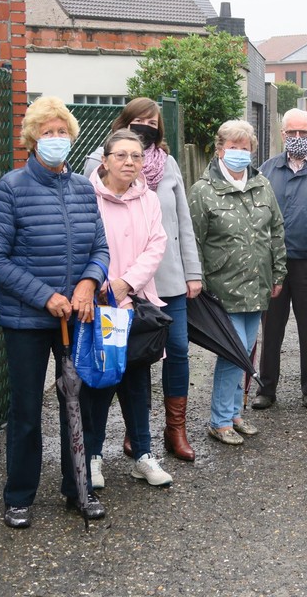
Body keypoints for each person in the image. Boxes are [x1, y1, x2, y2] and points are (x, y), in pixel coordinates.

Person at [0, 96, 108, 528]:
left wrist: (89, 282)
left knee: (81, 404)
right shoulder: (11, 187)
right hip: (26, 321)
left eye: (62, 132)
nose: (56, 139)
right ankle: (18, 496)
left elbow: (100, 248)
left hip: (77, 318)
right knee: (26, 410)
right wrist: (45, 296)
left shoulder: (83, 188)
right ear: (32, 140)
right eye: (47, 132)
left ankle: (79, 490)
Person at [84, 98, 202, 470]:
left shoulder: (166, 164)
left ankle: (174, 430)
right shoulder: (95, 163)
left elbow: (181, 220)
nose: (146, 126)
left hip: (165, 278)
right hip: (114, 286)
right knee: (125, 360)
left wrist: (193, 271)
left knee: (176, 351)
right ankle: (129, 438)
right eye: (138, 121)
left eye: (152, 122)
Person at [188, 120, 287, 445]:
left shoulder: (261, 185)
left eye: (245, 148)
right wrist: (197, 281)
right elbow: (193, 241)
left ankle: (234, 415)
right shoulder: (203, 191)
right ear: (219, 150)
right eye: (233, 147)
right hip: (222, 290)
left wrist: (278, 272)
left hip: (256, 286)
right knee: (233, 353)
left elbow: (275, 230)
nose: (239, 153)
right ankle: (220, 420)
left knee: (244, 352)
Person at [83, 129, 173, 487]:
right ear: (105, 160)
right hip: (97, 305)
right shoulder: (87, 195)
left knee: (137, 382)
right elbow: (81, 243)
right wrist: (103, 285)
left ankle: (143, 456)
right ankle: (91, 458)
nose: (129, 162)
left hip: (135, 305)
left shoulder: (148, 199)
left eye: (136, 156)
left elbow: (157, 244)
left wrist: (127, 284)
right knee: (99, 384)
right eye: (121, 155)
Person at [252, 110, 307, 411]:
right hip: (273, 263)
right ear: (282, 135)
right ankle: (266, 389)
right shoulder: (266, 169)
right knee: (271, 328)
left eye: (303, 134)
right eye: (292, 133)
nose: (298, 139)